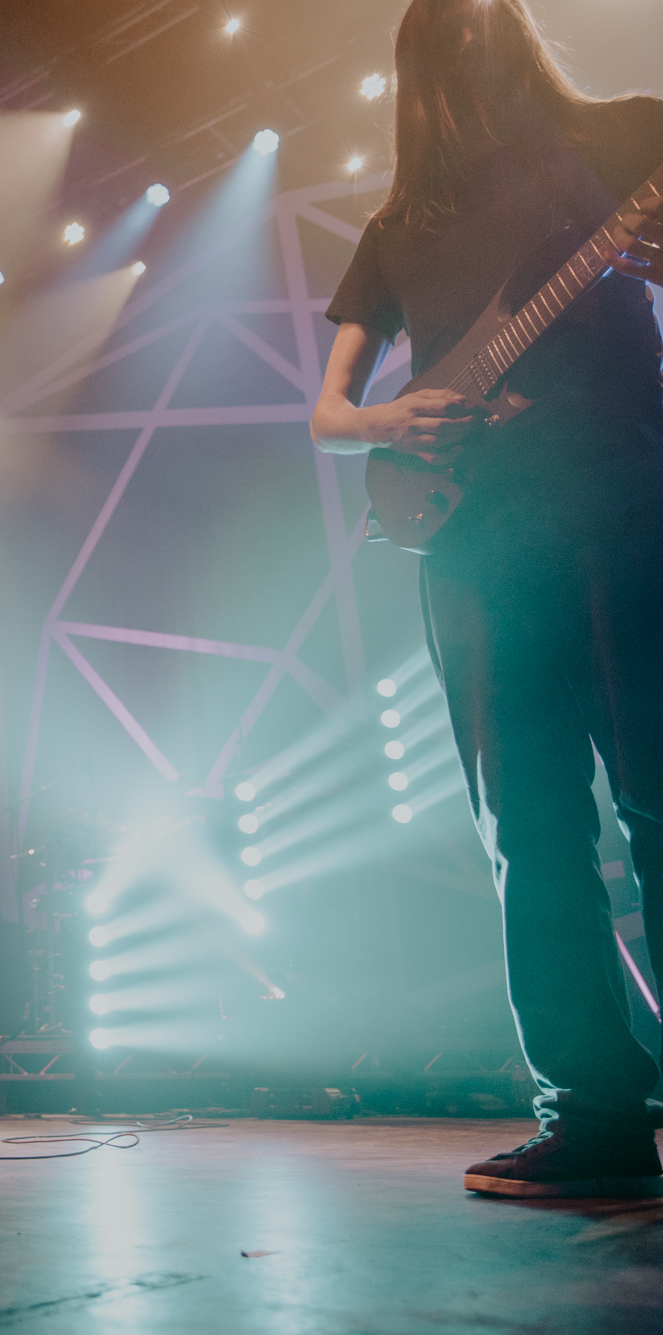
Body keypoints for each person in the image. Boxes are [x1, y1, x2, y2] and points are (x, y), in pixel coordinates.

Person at [311, 0, 663, 1198]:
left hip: (621, 506)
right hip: (470, 543)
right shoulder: (396, 227)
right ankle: (593, 1121)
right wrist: (383, 421)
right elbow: (328, 412)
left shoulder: (625, 140)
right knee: (528, 831)